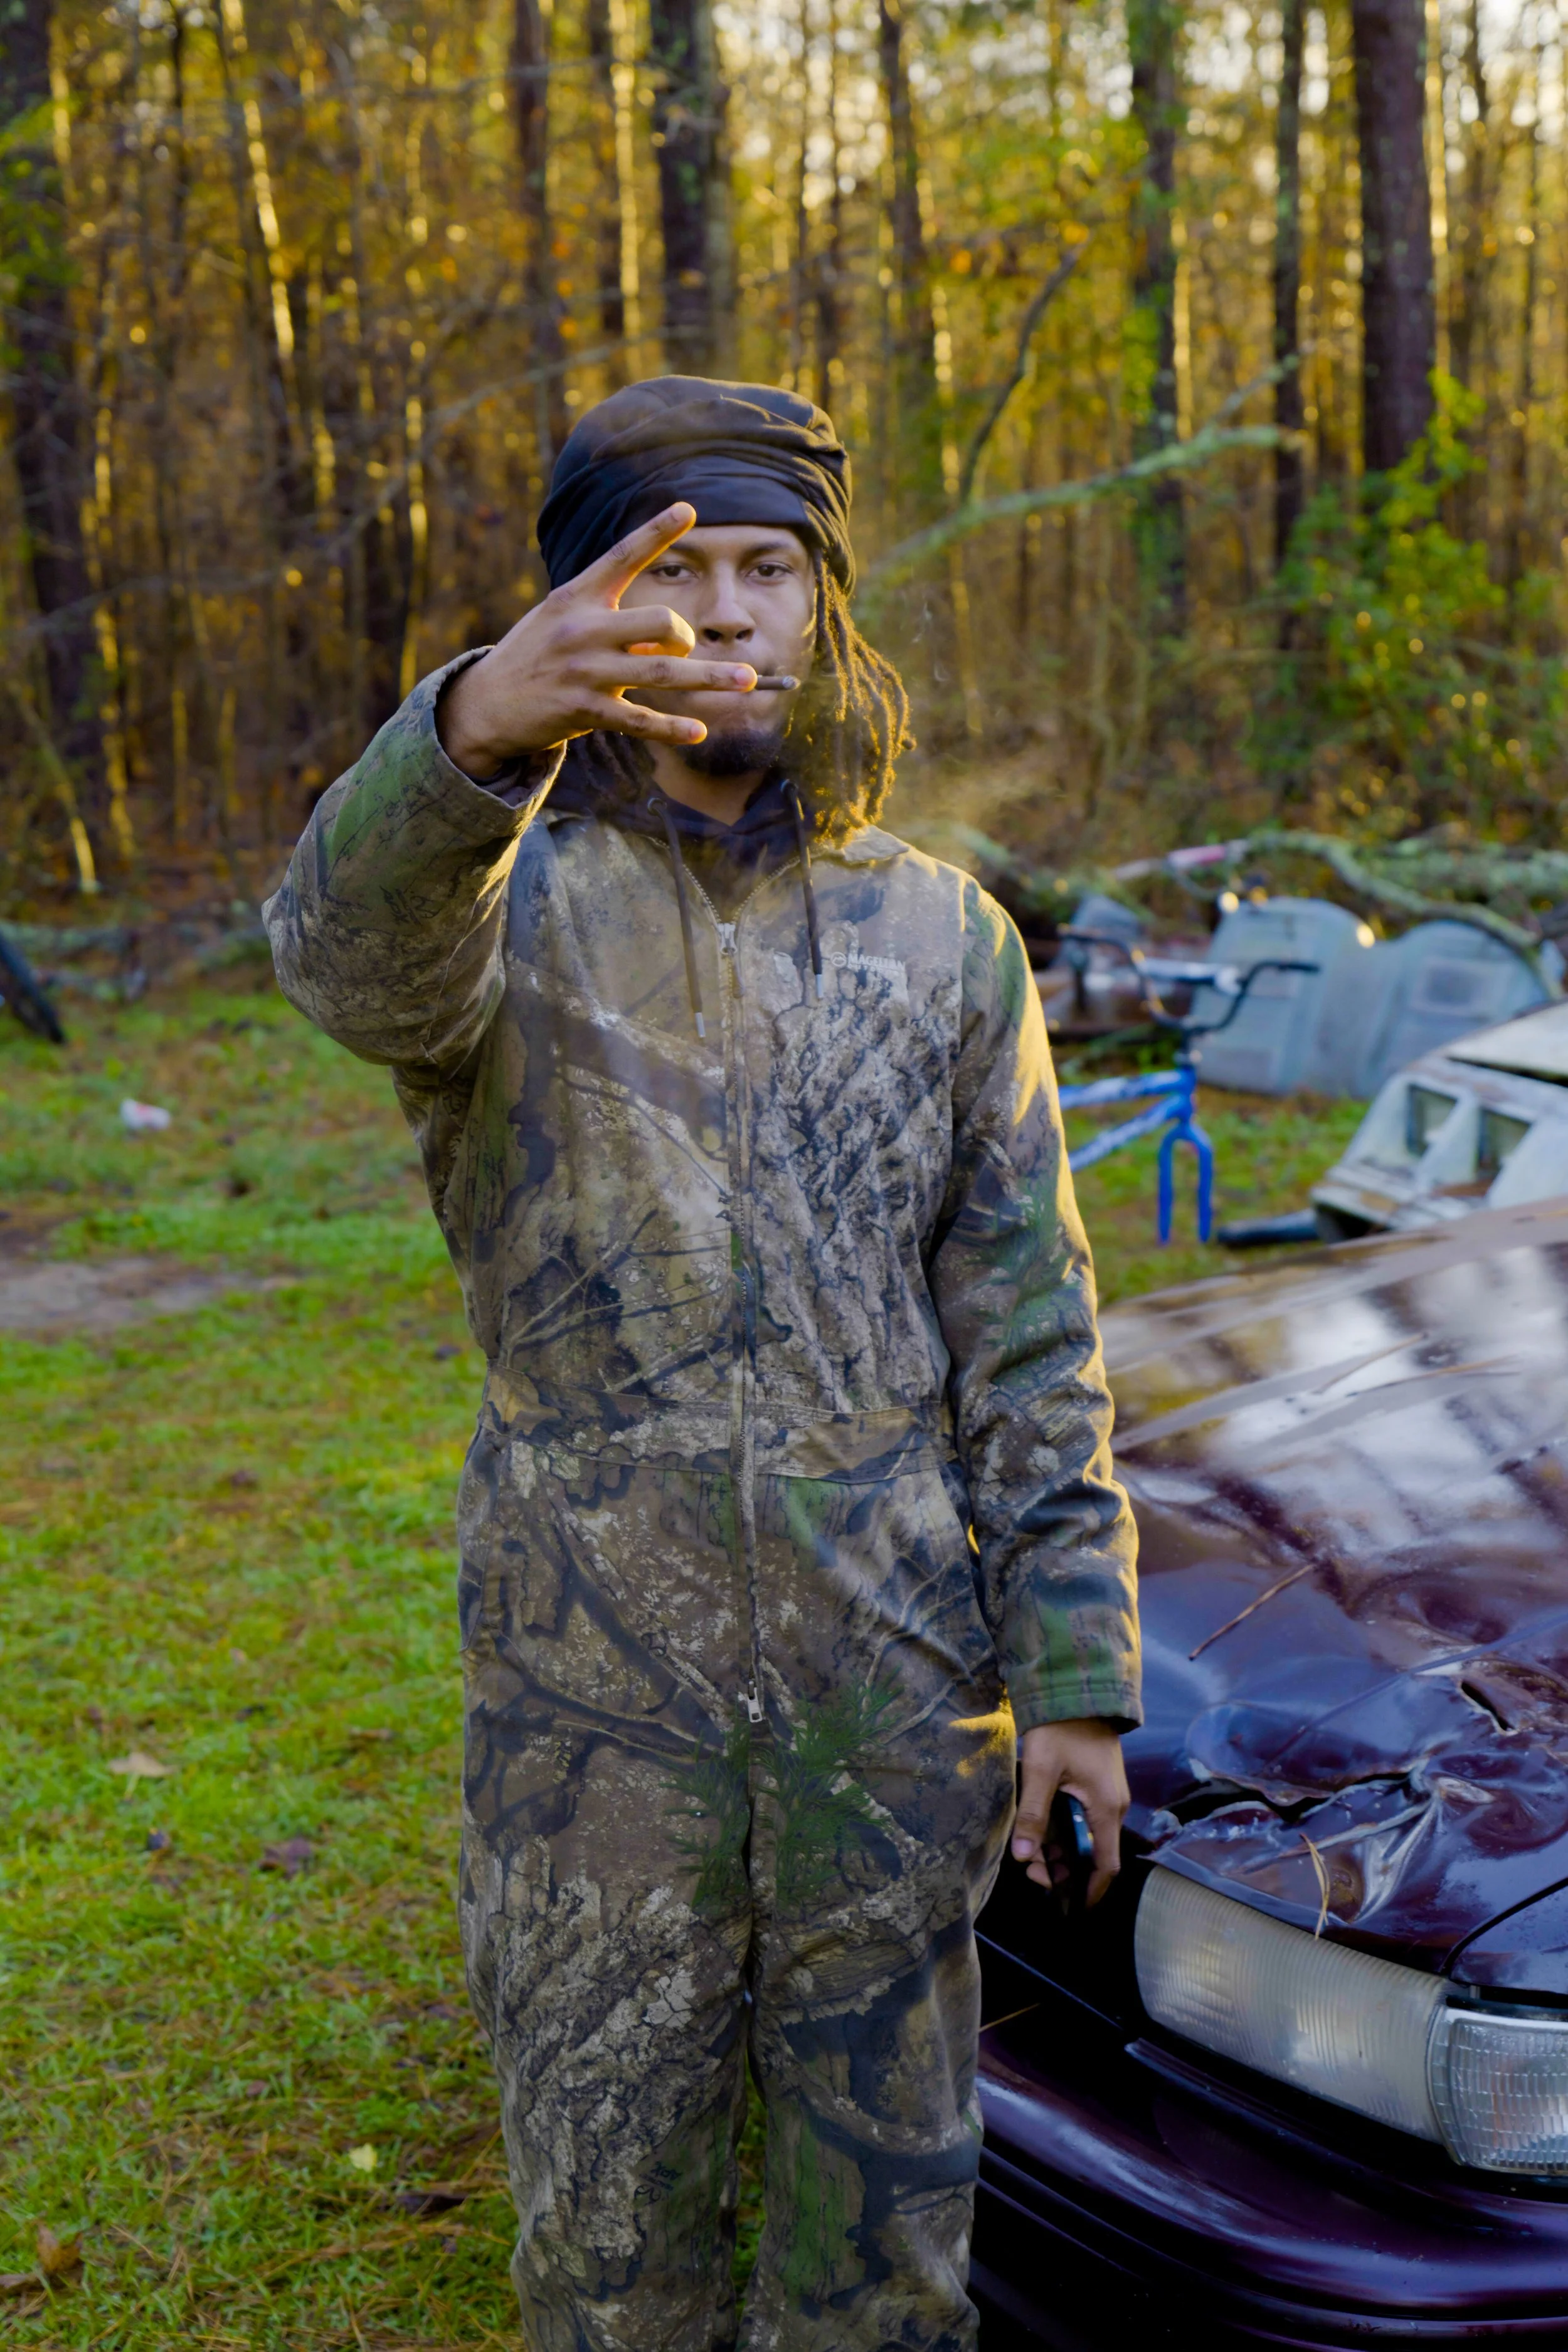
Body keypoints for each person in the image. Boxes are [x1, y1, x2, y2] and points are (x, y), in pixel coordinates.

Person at [265, 376, 1139, 2352]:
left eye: (769, 570)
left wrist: (1073, 1677)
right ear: (581, 609)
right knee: (610, 2266)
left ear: (826, 609)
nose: (727, 614)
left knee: (882, 2271)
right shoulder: (507, 910)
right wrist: (474, 727)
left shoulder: (944, 942)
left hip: (892, 1722)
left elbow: (1027, 1327)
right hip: (596, 1745)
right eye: (673, 573)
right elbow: (342, 958)